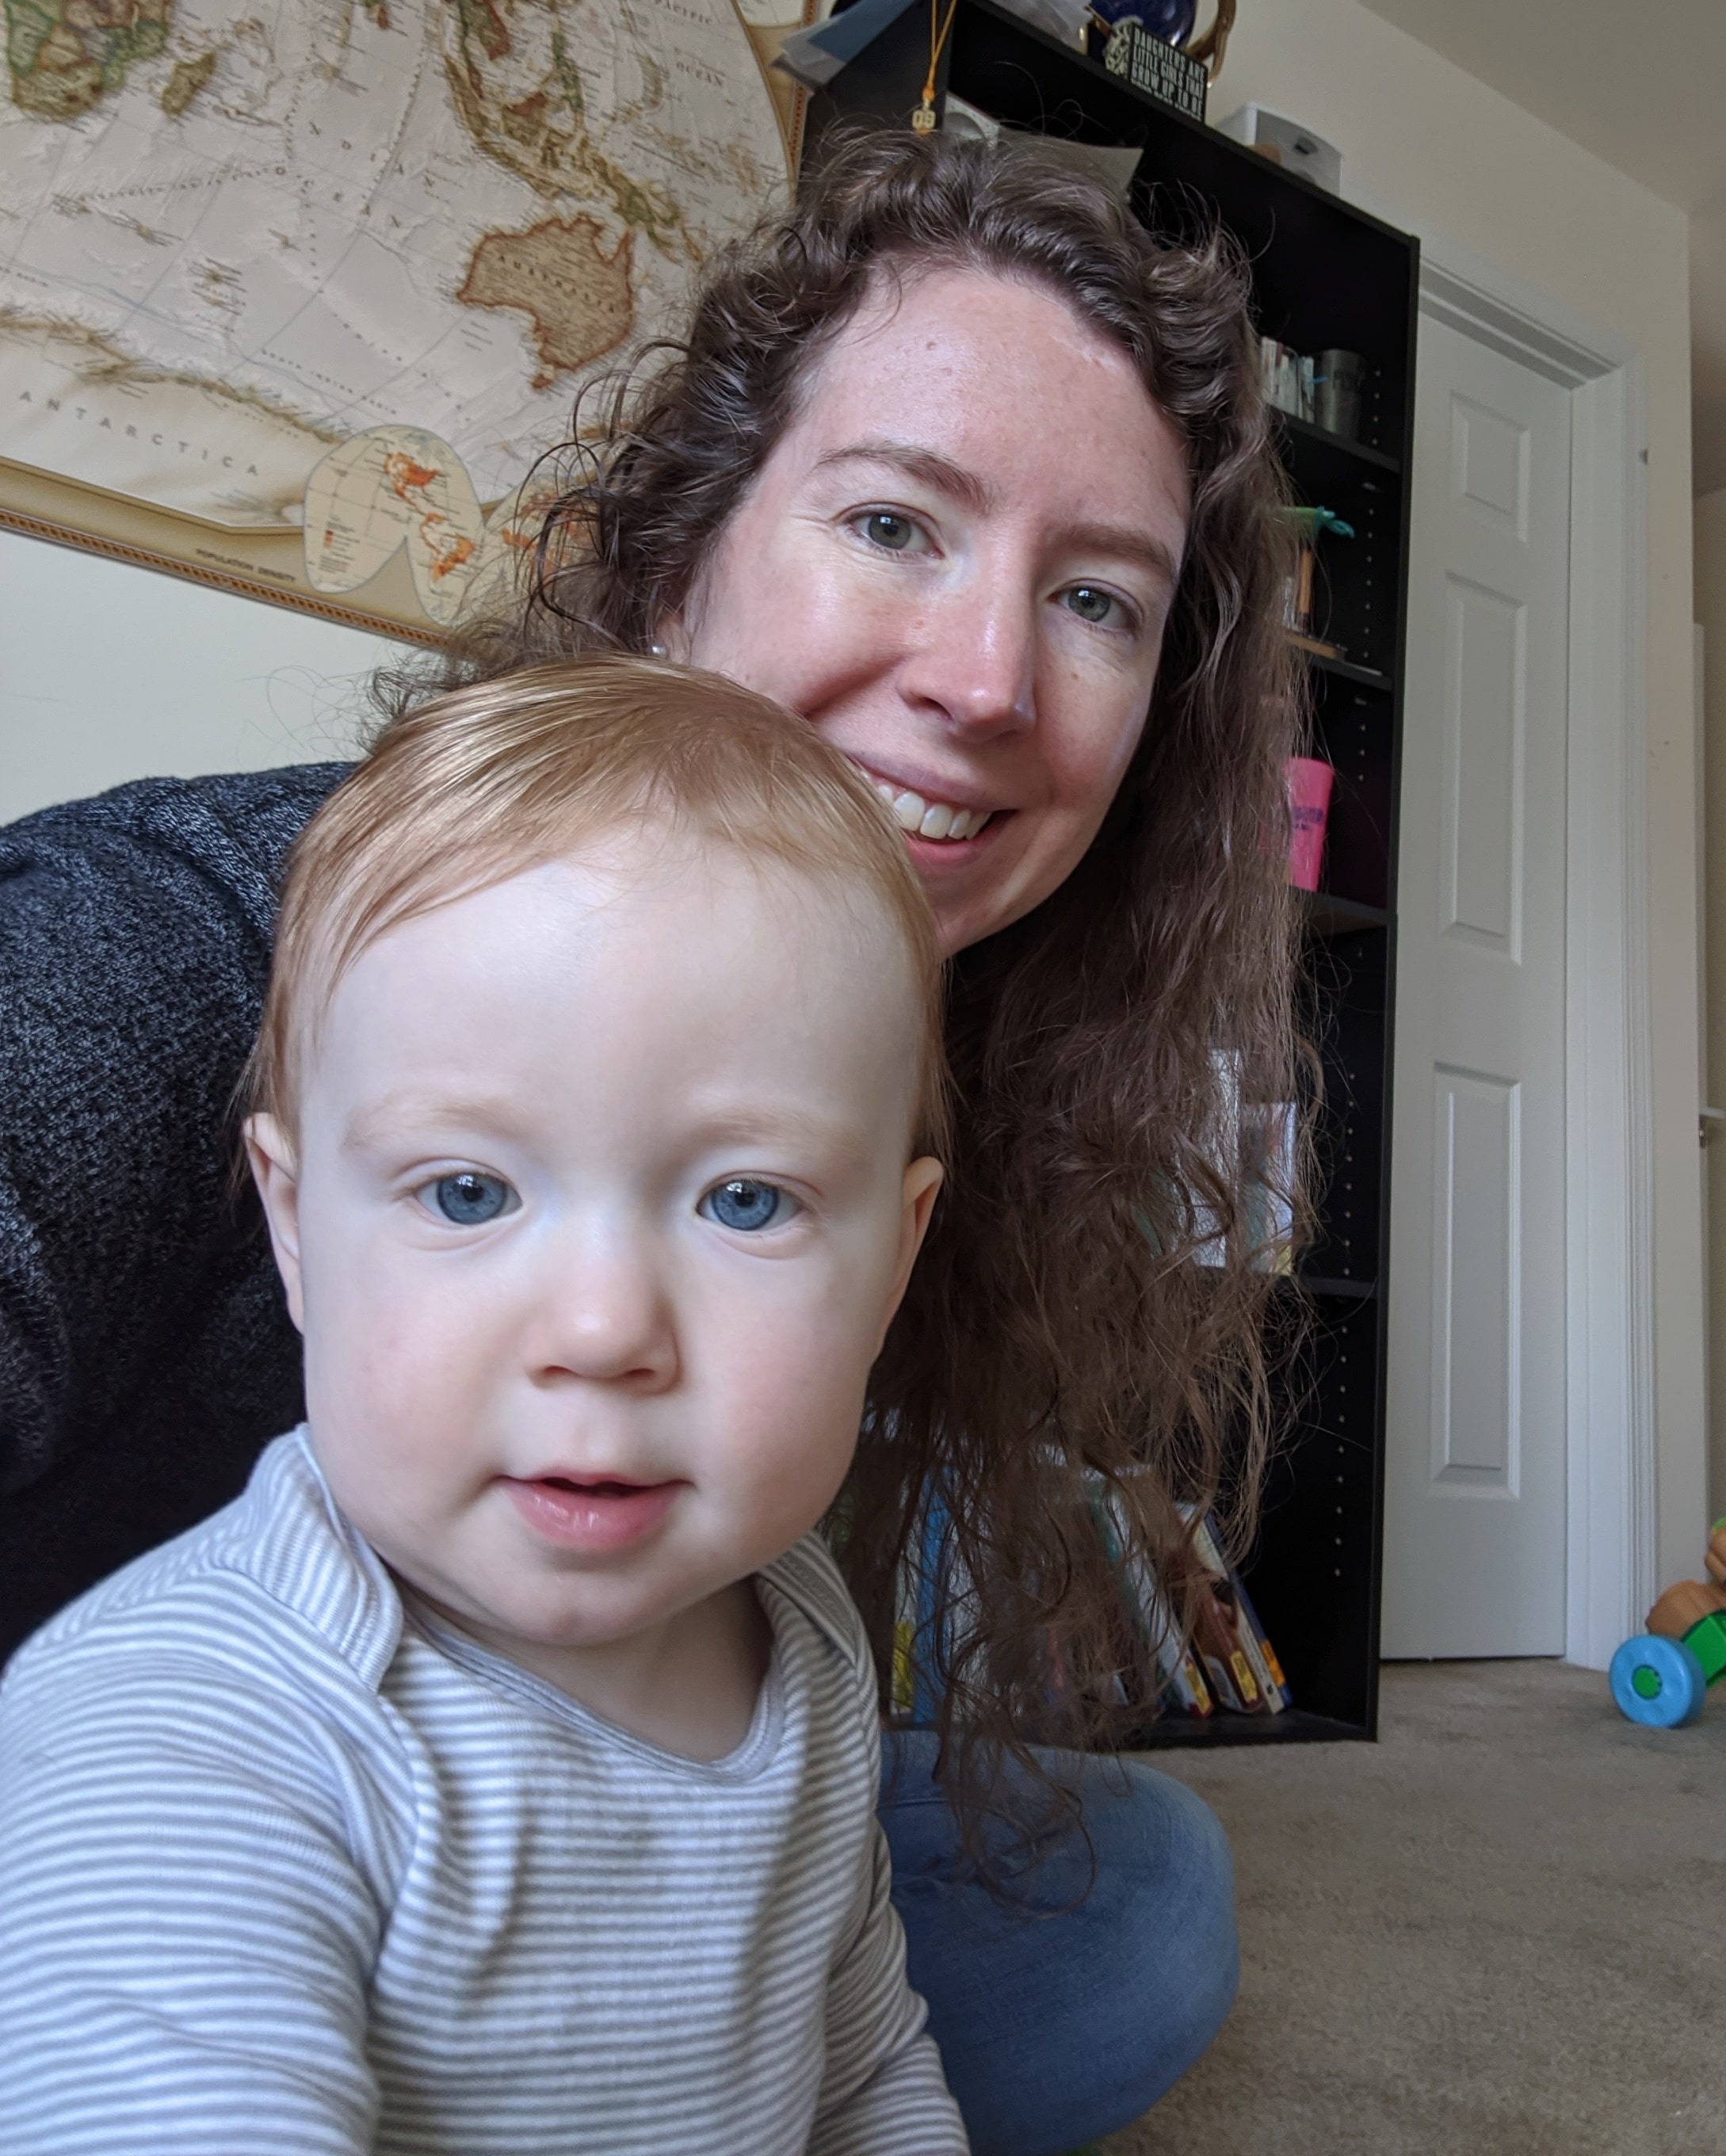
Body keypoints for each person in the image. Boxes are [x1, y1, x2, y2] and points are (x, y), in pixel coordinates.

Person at [0, 131, 1300, 2153]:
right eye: (894, 522)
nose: (986, 679)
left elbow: (862, 2029)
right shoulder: (175, 946)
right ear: (683, 547)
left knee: (1140, 1902)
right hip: (137, 1864)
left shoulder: (943, 1068)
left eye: (1096, 602)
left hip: (623, 1749)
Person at [0, 657, 968, 2153]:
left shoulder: (802, 1626)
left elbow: (859, 2072)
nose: (602, 1330)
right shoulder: (187, 1738)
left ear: (894, 1260)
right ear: (297, 1225)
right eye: (467, 1191)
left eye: (745, 1201)